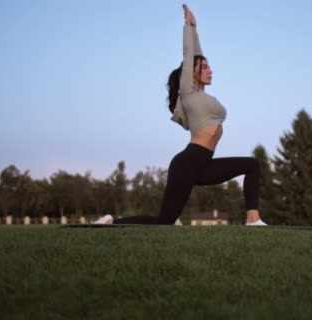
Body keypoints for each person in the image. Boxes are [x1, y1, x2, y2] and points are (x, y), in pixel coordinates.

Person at [92, 4, 267, 226]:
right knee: (164, 221)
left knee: (252, 165)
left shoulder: (202, 96)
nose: (209, 69)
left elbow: (197, 55)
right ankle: (110, 222)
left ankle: (253, 219)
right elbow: (190, 54)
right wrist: (188, 26)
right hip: (188, 162)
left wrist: (196, 30)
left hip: (204, 164)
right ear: (192, 73)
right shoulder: (188, 93)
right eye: (204, 67)